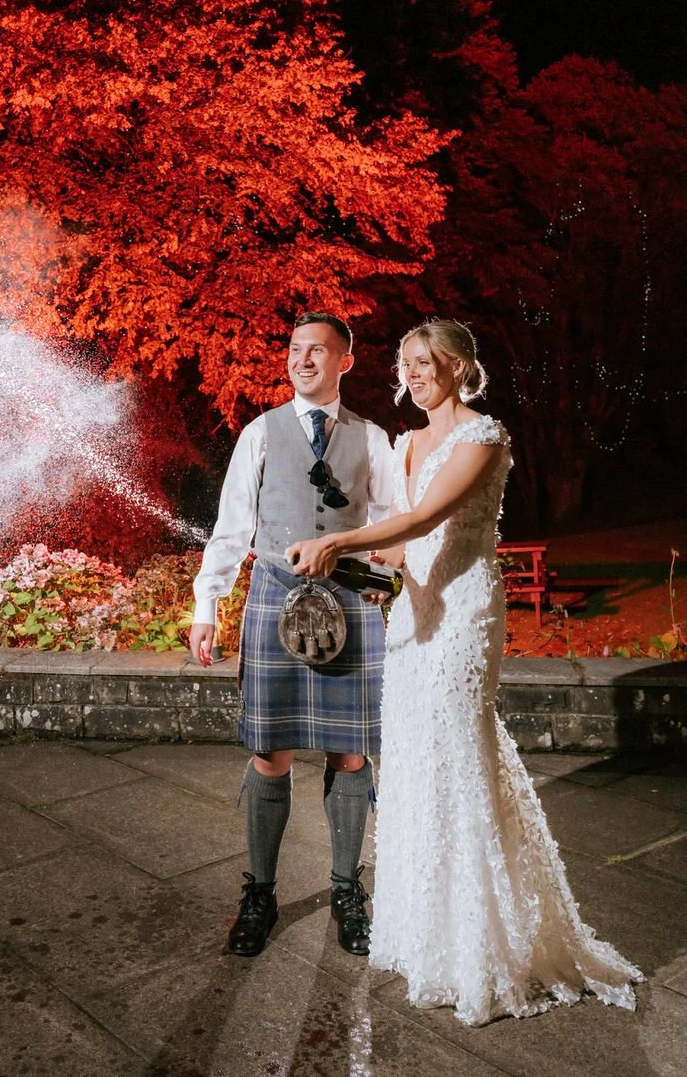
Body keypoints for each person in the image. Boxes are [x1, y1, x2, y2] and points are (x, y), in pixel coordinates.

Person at [289, 320, 643, 1026]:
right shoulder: (407, 442)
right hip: (412, 617)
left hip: (463, 613)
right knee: (416, 761)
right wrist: (359, 566)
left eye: (426, 364)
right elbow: (399, 544)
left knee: (458, 753)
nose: (414, 375)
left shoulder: (483, 437)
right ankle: (428, 937)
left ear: (456, 367)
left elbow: (426, 520)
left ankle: (486, 945)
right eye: (407, 365)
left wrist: (338, 540)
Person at [190, 312, 392, 958]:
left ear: (345, 362)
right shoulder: (259, 432)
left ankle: (345, 889)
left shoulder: (375, 439)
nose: (302, 360)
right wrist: (207, 604)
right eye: (295, 349)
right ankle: (261, 892)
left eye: (317, 351)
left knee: (350, 754)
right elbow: (231, 526)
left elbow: (393, 527)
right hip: (274, 597)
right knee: (268, 753)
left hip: (351, 601)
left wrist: (383, 578)